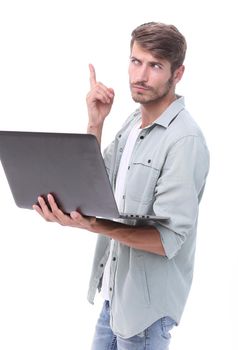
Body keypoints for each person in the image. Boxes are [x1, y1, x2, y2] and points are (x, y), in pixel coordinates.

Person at [33, 22, 210, 350]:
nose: (140, 76)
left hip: (146, 314)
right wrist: (95, 123)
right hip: (114, 297)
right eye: (136, 61)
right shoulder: (132, 123)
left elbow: (165, 240)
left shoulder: (184, 140)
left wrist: (94, 224)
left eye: (155, 65)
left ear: (178, 73)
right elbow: (95, 184)